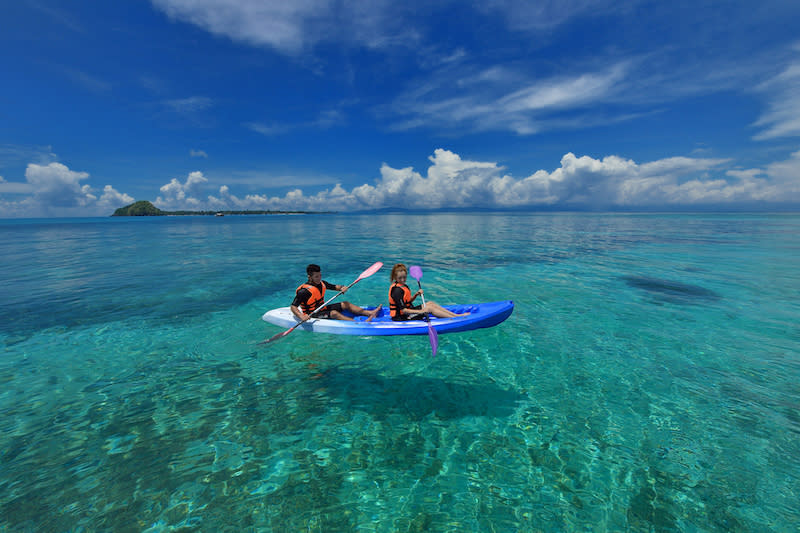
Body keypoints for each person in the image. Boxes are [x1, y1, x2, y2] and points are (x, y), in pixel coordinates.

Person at [291, 264, 380, 322]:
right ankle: (357, 323)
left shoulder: (322, 283)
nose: (319, 278)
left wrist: (342, 288)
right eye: (316, 277)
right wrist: (301, 316)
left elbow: (334, 287)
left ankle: (370, 313)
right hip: (312, 313)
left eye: (320, 275)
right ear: (309, 277)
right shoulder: (304, 291)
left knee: (346, 304)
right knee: (334, 313)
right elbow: (293, 306)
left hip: (322, 308)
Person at [388, 263, 468, 321]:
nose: (402, 280)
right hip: (402, 317)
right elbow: (404, 310)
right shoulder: (397, 290)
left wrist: (416, 295)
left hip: (408, 312)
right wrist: (422, 311)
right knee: (429, 308)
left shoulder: (403, 286)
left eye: (404, 277)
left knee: (430, 303)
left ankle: (456, 315)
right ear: (395, 277)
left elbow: (407, 302)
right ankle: (454, 319)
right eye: (400, 278)